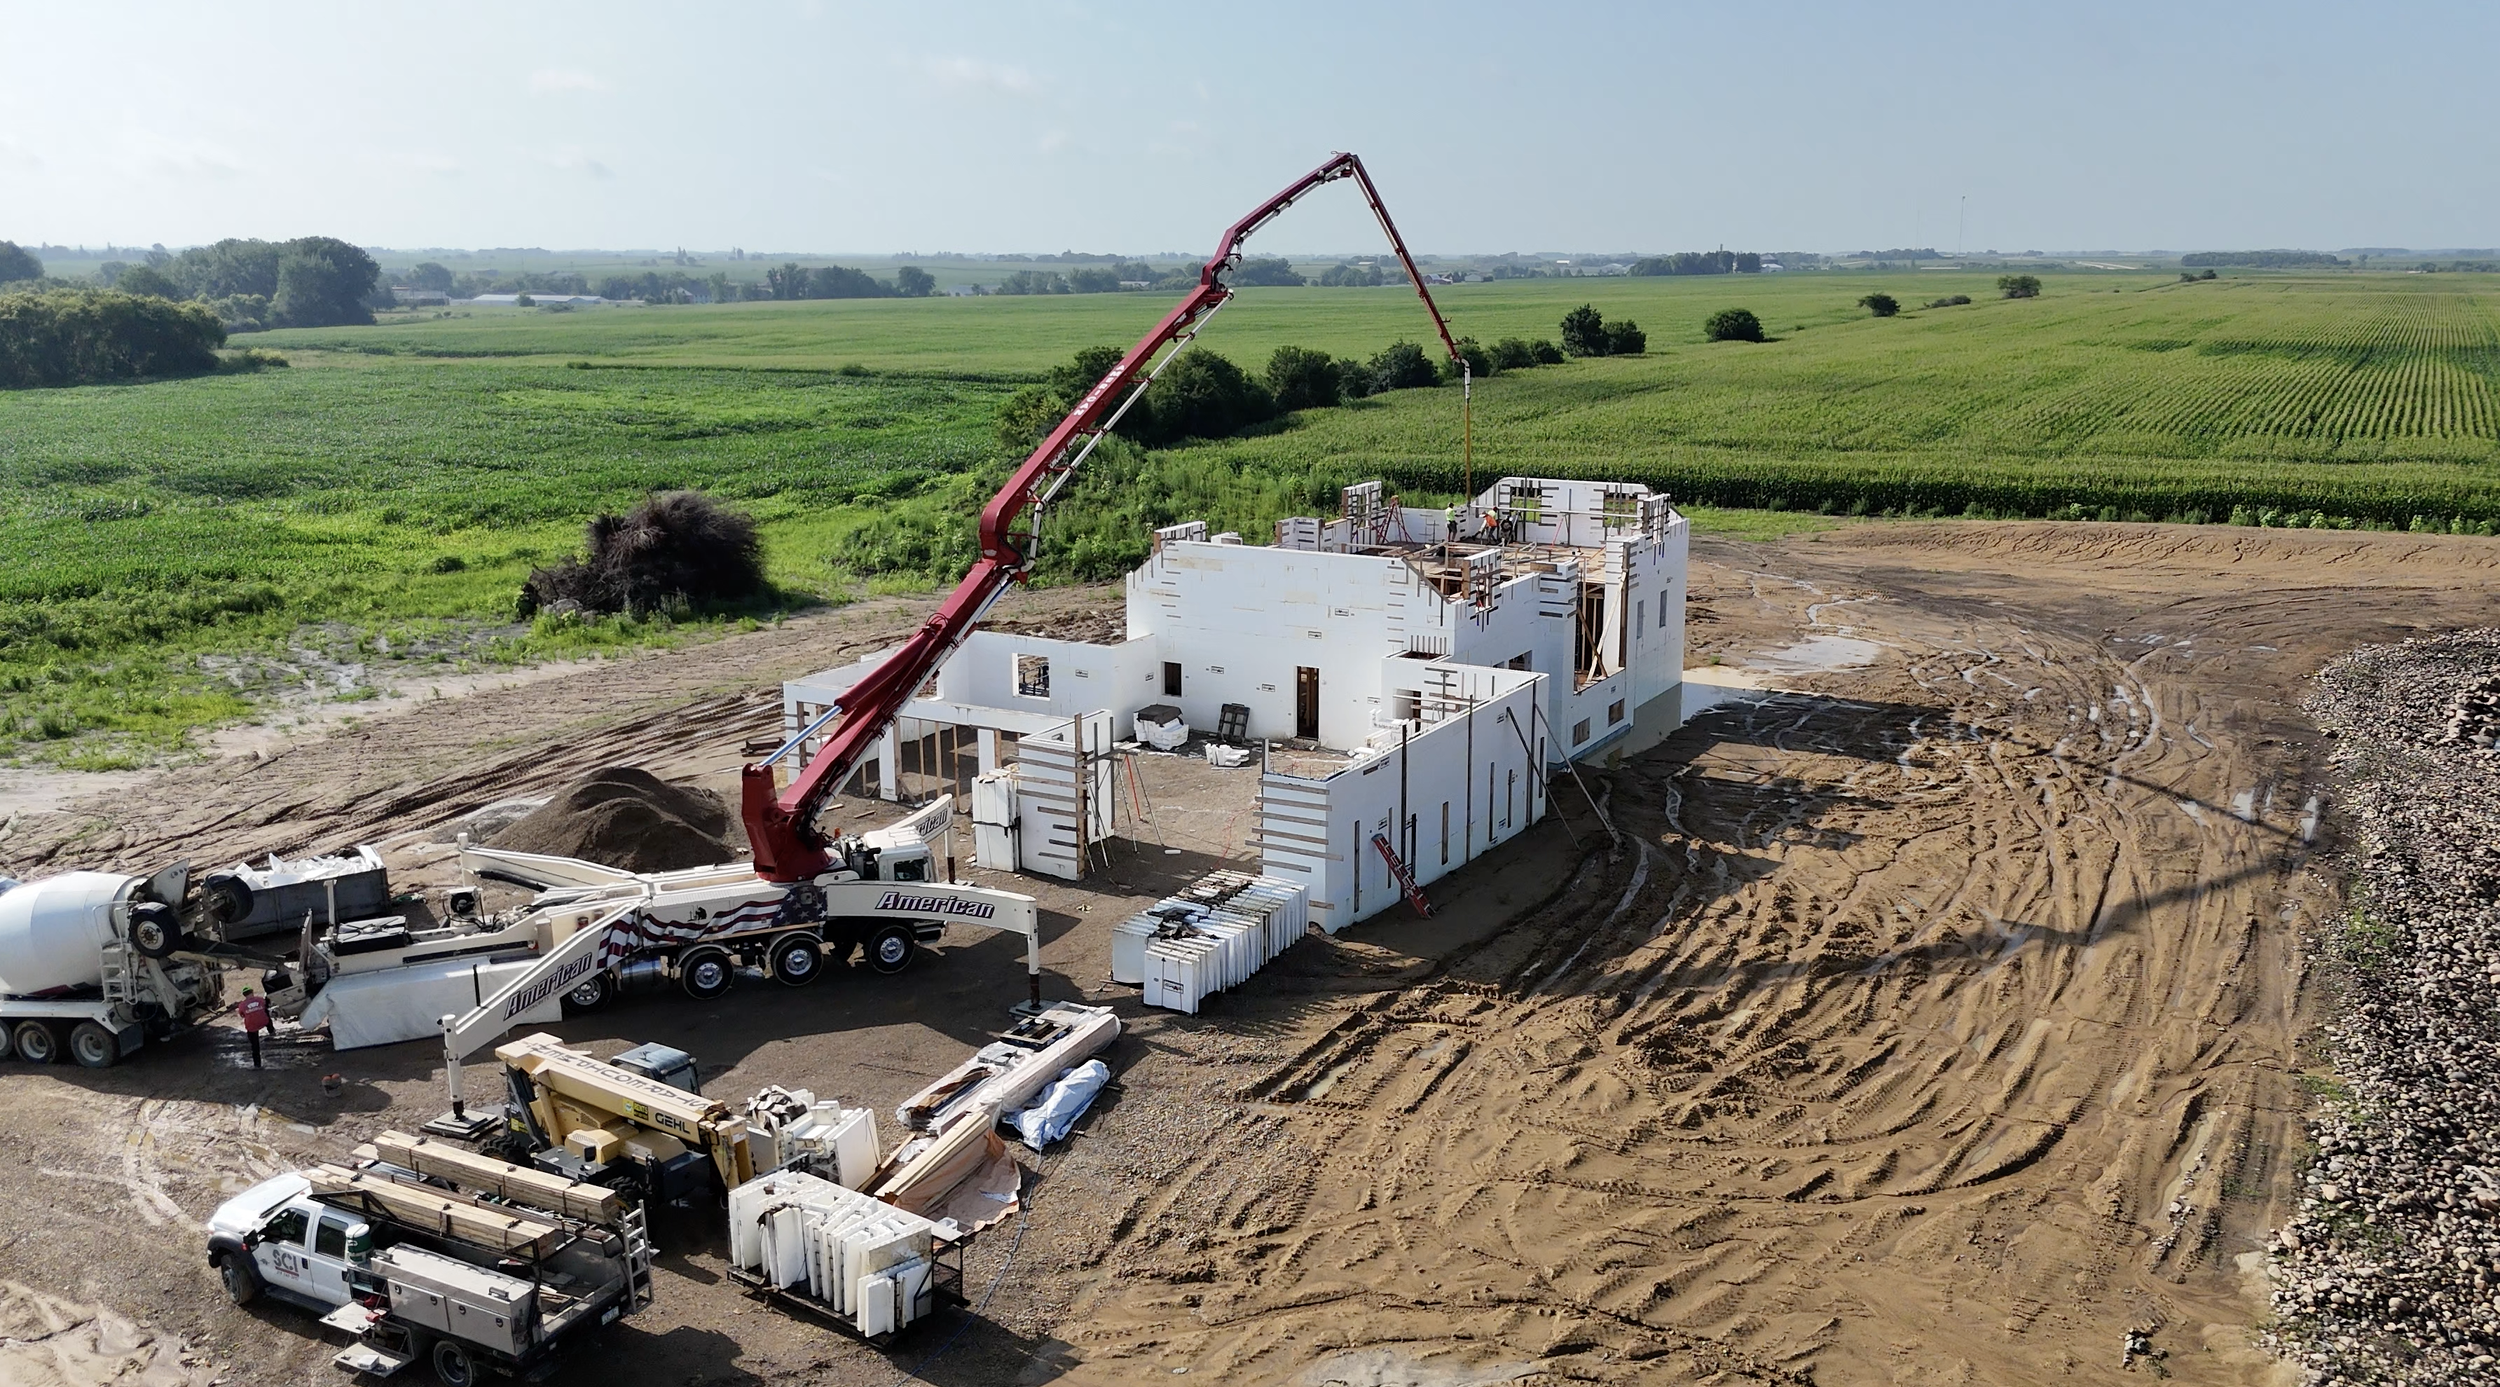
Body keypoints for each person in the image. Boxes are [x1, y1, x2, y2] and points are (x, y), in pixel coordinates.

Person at [237, 987, 270, 1069]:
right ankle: (271, 1029)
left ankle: (257, 1064)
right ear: (252, 992)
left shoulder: (242, 1005)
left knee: (254, 1045)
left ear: (244, 995)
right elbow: (266, 1005)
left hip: (251, 1026)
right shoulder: (260, 999)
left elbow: (242, 1015)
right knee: (266, 1012)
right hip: (264, 1021)